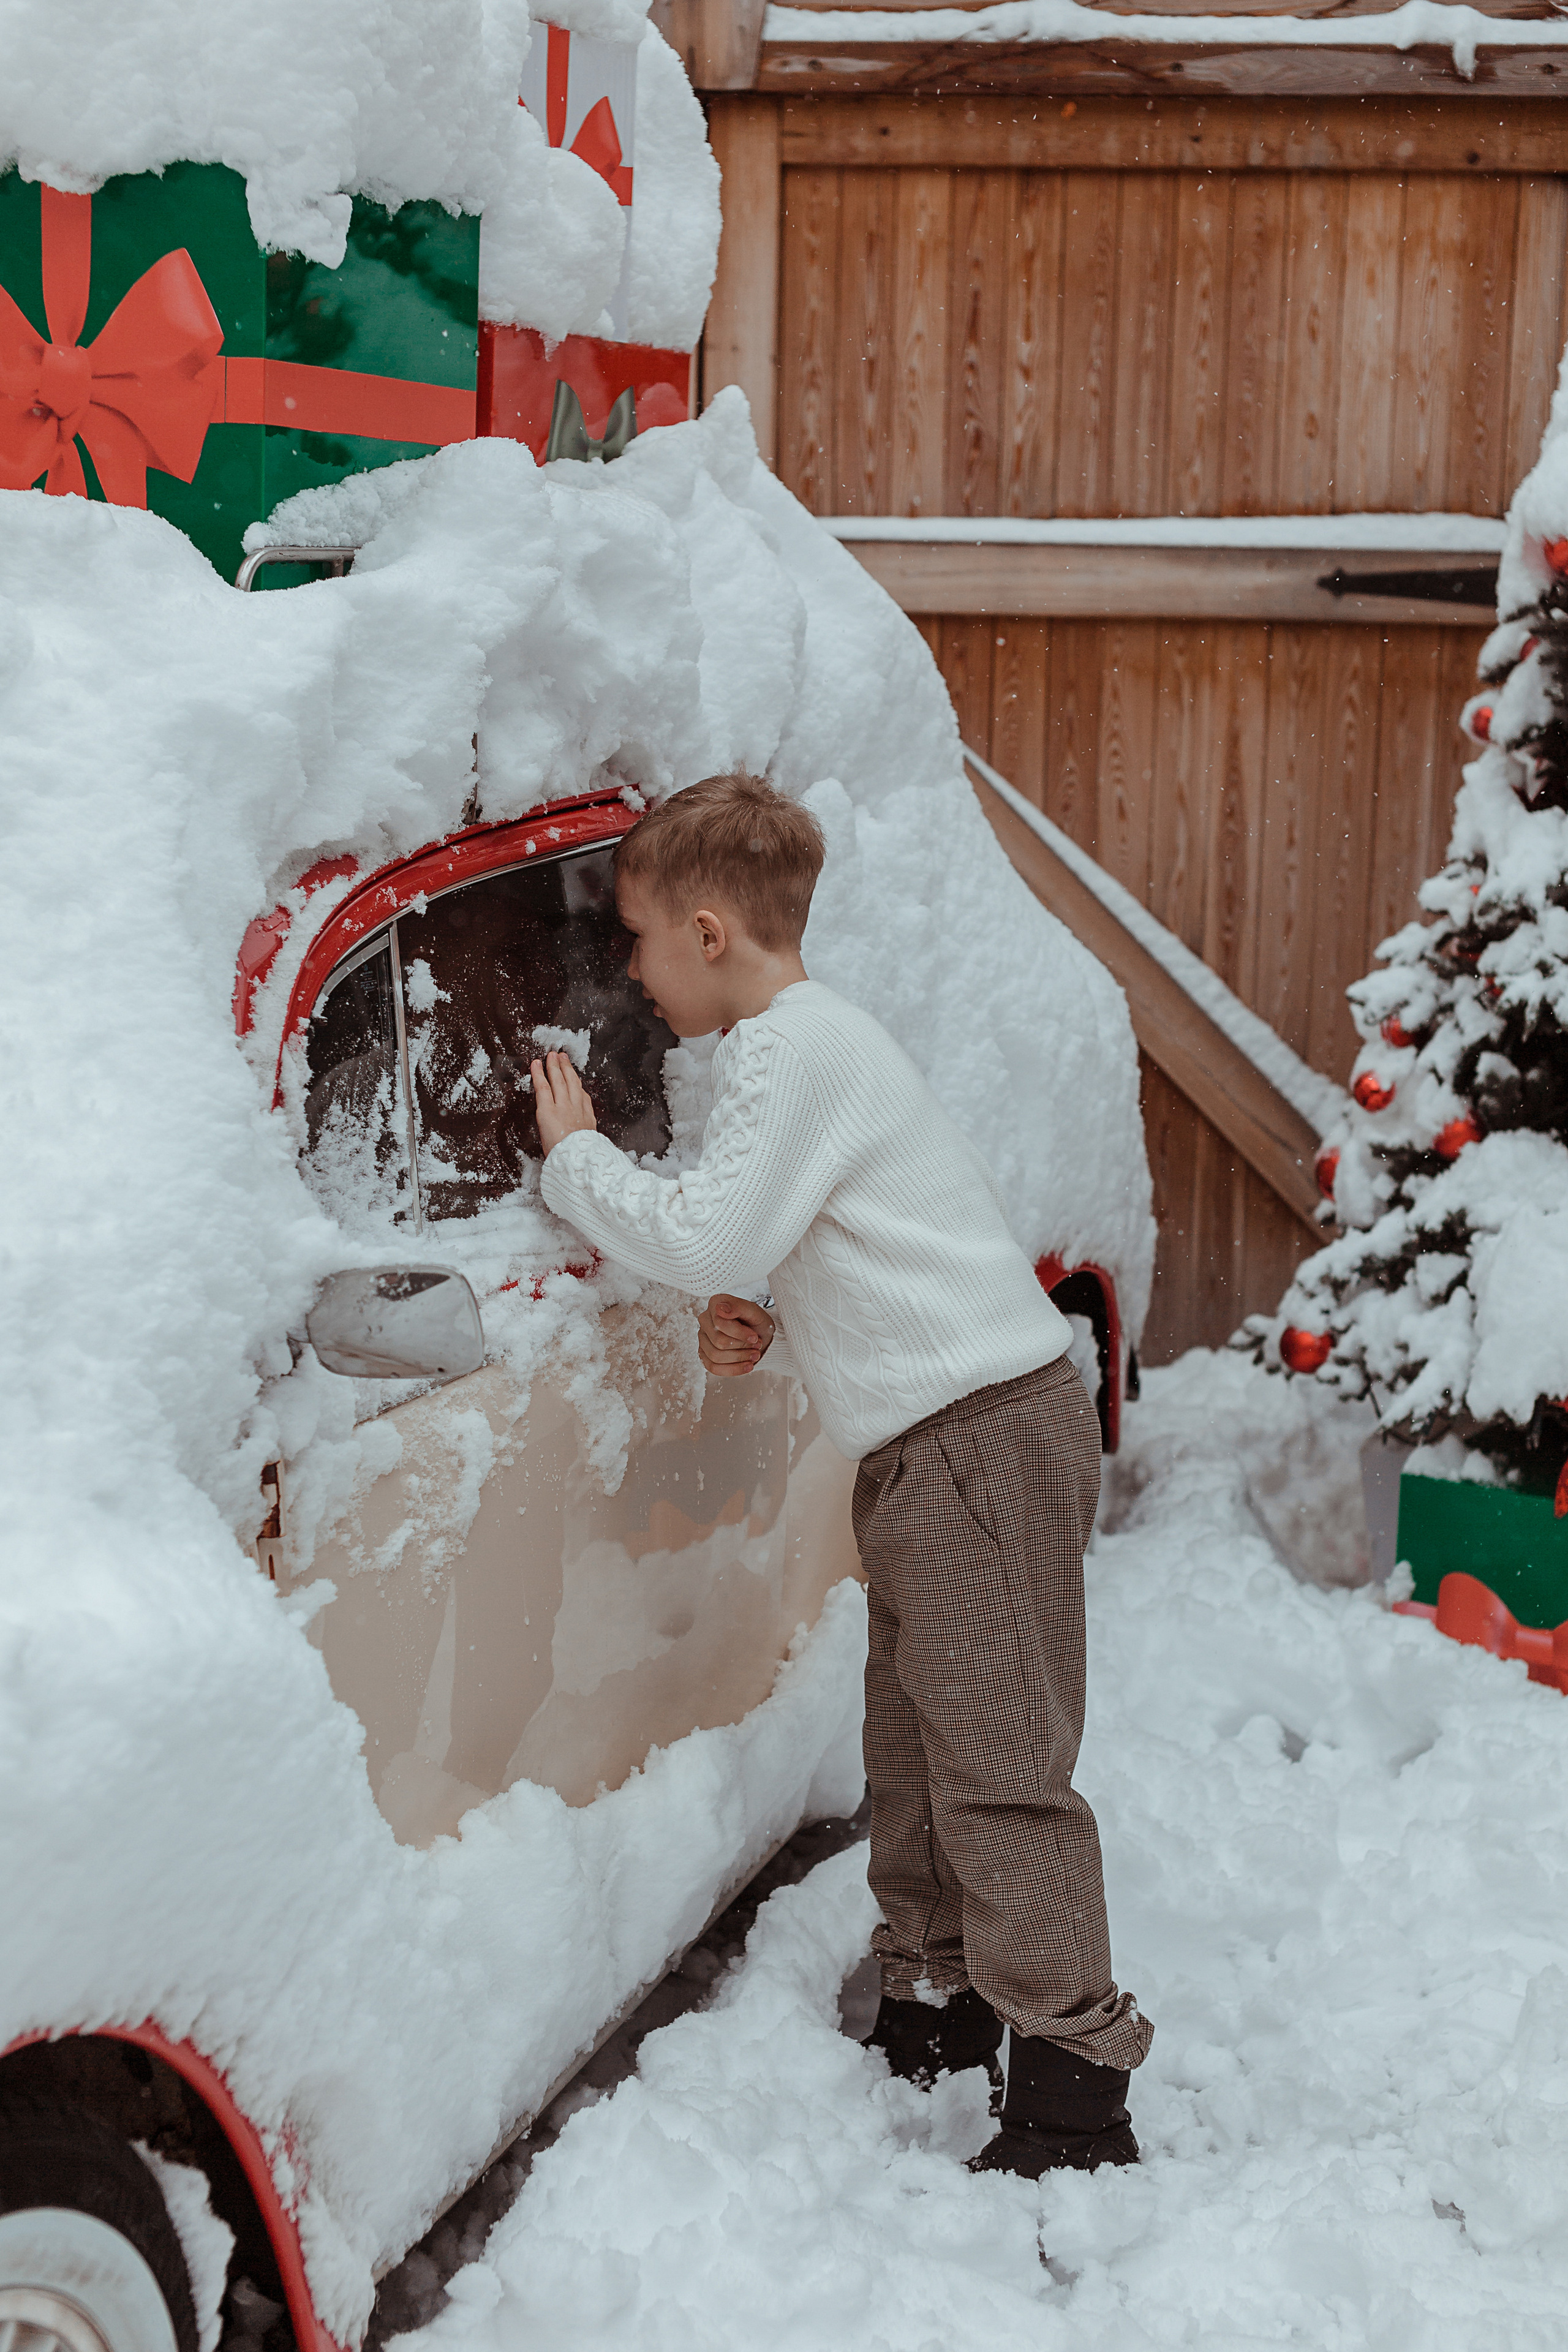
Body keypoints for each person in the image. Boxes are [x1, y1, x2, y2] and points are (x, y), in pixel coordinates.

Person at [530, 771, 1151, 2177]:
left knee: (997, 1766)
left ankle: (1073, 2090)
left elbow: (702, 1230)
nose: (626, 968)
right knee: (917, 1744)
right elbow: (834, 1232)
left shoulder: (786, 1048)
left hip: (976, 1438)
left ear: (703, 930)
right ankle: (934, 2002)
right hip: (939, 1441)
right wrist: (778, 1309)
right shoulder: (804, 1047)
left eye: (632, 939)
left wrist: (575, 1161)